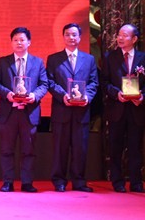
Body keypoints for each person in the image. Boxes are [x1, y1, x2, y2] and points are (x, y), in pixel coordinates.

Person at [0, 26, 48, 193]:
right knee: (6, 149)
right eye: (15, 40)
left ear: (29, 42)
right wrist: (7, 94)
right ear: (11, 42)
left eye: (22, 40)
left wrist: (34, 95)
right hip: (8, 112)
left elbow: (44, 84)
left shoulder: (38, 62)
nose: (19, 43)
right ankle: (7, 182)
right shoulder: (3, 62)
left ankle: (27, 182)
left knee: (28, 150)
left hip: (29, 112)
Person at [101, 23, 145, 193]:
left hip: (136, 108)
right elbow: (104, 82)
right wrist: (116, 93)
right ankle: (117, 182)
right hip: (117, 108)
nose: (120, 38)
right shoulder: (109, 57)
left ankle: (136, 182)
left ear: (134, 39)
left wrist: (143, 96)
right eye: (119, 35)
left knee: (135, 147)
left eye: (125, 35)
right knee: (115, 147)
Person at [46, 23, 98, 193]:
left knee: (80, 148)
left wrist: (87, 97)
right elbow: (50, 82)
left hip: (81, 112)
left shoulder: (89, 59)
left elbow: (93, 82)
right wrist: (63, 96)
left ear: (80, 37)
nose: (71, 37)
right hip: (62, 110)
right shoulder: (54, 59)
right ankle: (59, 181)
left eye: (74, 35)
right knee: (60, 149)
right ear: (63, 37)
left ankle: (79, 181)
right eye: (68, 34)